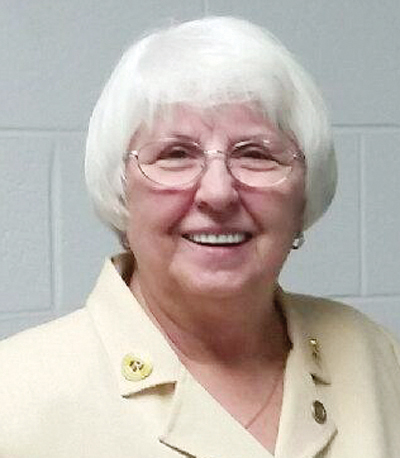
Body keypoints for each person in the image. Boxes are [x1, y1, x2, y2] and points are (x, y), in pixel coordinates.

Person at [0, 16, 399, 458]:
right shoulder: (13, 397)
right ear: (121, 191)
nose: (218, 192)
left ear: (302, 194)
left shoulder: (377, 359)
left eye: (256, 154)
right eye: (175, 154)